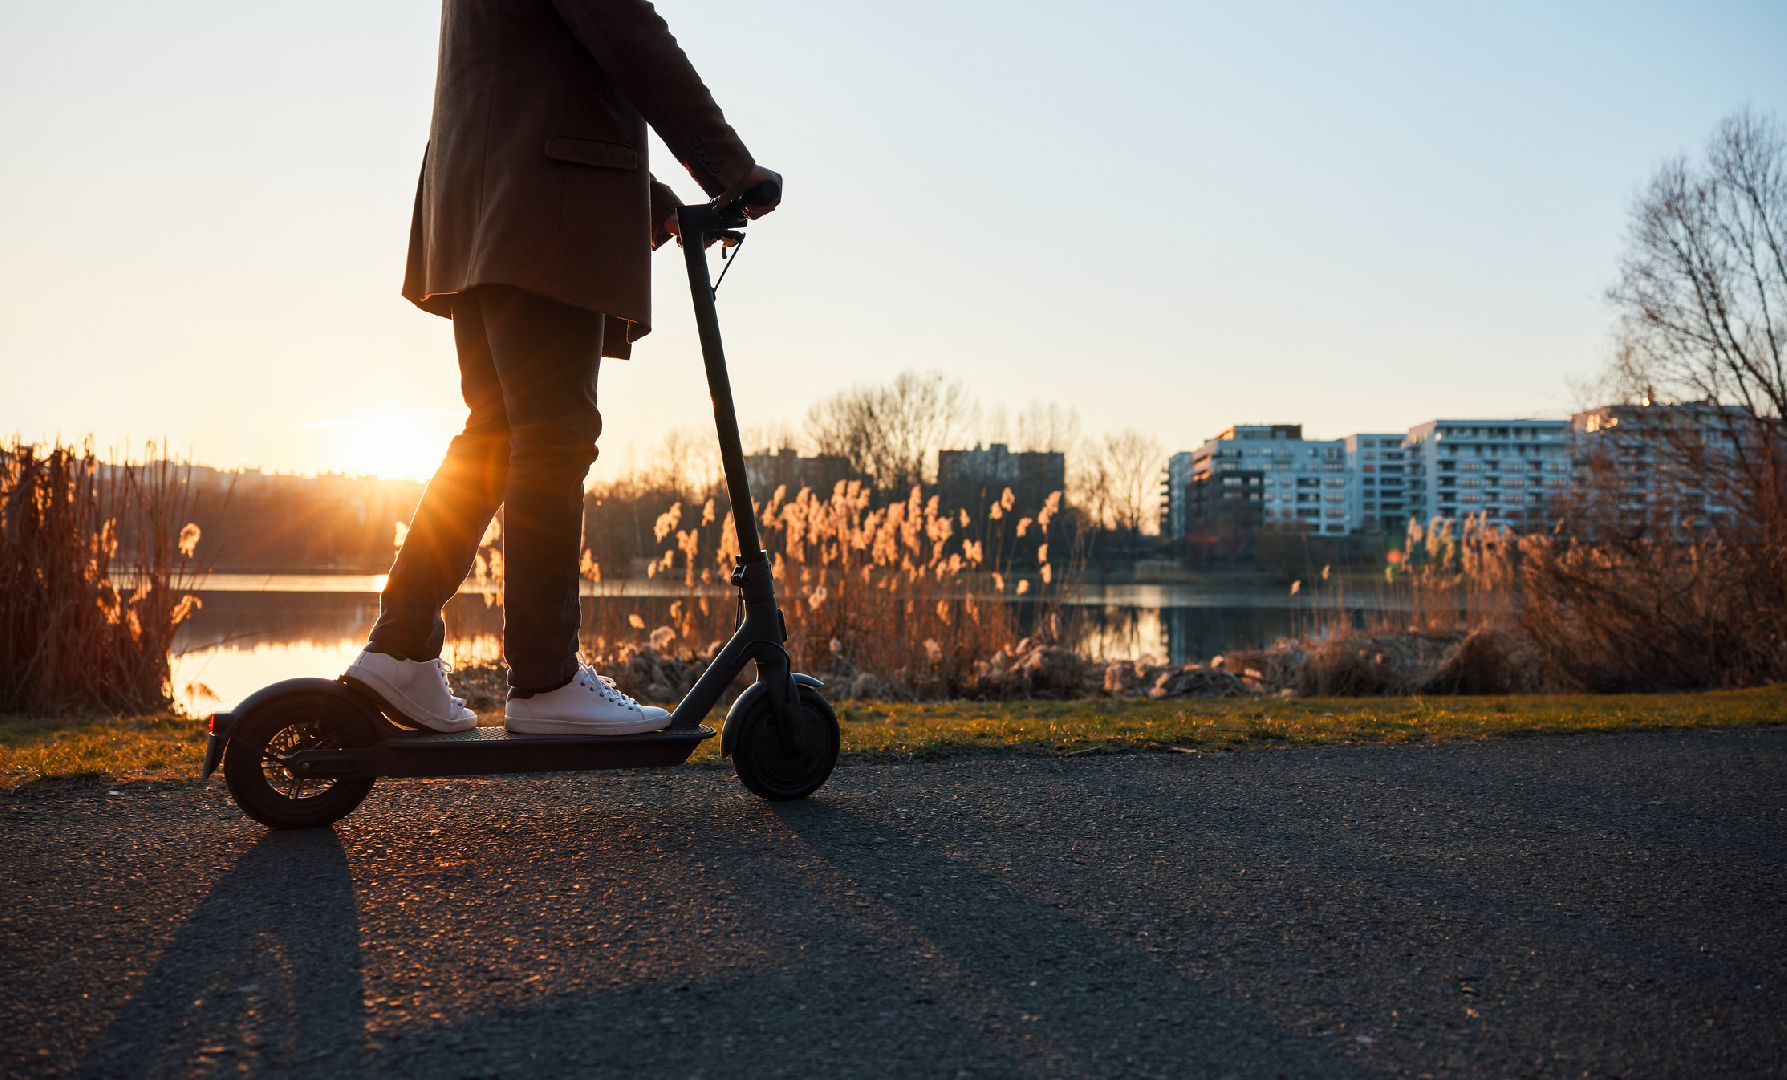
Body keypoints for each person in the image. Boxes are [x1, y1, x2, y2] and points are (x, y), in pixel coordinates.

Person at [342, 0, 781, 737]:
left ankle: (402, 646)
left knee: (497, 435)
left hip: (480, 199)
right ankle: (545, 680)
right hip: (538, 204)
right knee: (553, 433)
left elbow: (535, 70)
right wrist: (729, 169)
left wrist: (653, 204)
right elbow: (623, 29)